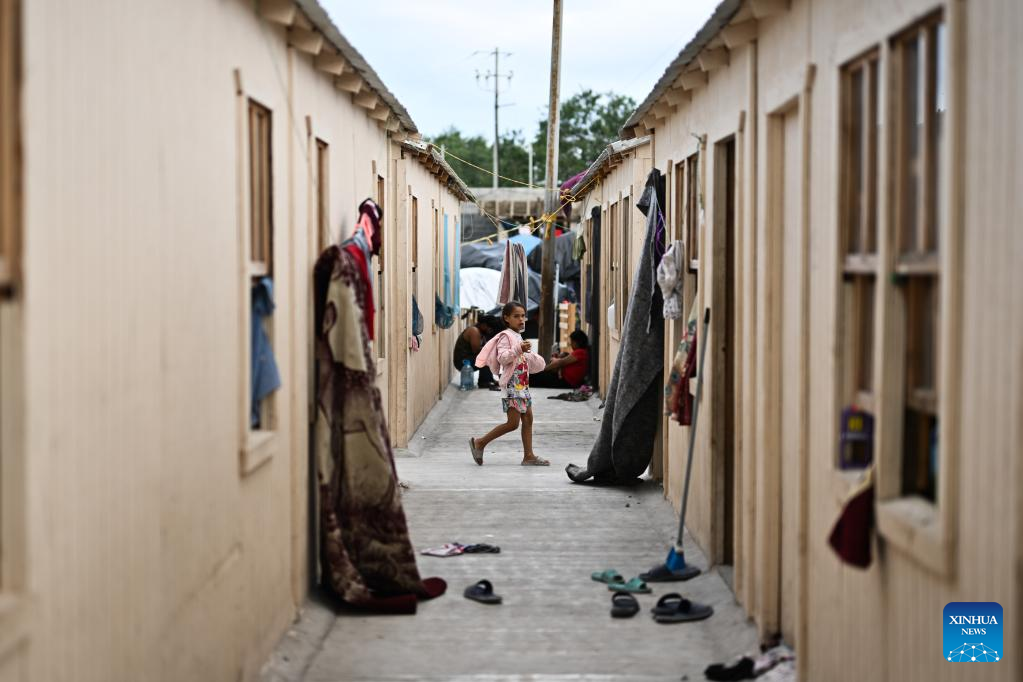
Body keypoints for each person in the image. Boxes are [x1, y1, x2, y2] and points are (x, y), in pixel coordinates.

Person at [468, 301, 550, 466]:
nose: (521, 319)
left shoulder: (517, 335)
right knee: (512, 423)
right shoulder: (506, 336)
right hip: (513, 385)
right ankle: (480, 442)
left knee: (528, 418)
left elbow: (520, 358)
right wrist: (519, 349)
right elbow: (503, 358)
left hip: (521, 385)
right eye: (516, 316)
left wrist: (529, 355)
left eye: (523, 316)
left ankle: (528, 456)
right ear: (506, 318)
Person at [452, 315, 504, 389]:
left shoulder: (481, 332)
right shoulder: (474, 331)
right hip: (463, 362)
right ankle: (484, 382)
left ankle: (489, 379)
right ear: (484, 325)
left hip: (468, 359)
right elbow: (476, 350)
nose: (490, 331)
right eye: (489, 328)